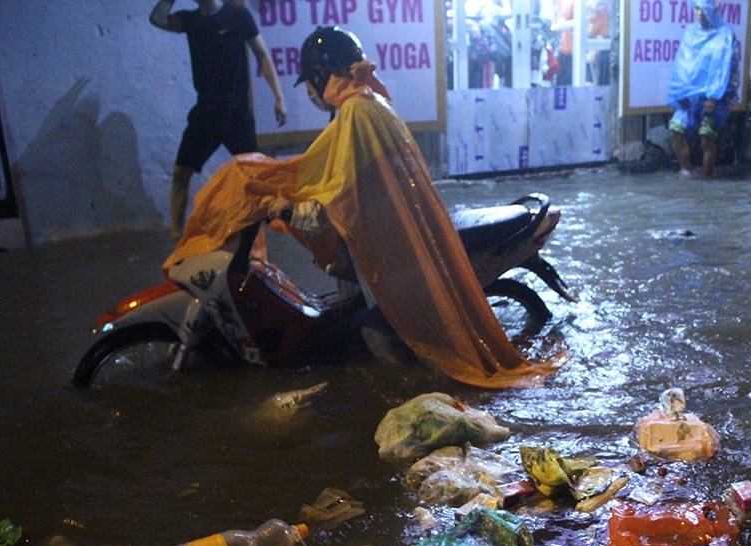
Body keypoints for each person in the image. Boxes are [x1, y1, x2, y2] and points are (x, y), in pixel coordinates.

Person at [163, 27, 562, 389]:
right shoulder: (367, 104)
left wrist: (286, 206)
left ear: (321, 75)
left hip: (392, 256)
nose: (310, 92)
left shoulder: (358, 112)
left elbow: (340, 195)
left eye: (310, 81)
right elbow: (334, 177)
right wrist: (281, 193)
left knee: (376, 339)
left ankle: (418, 394)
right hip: (391, 239)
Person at [150, 0, 288, 239]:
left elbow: (262, 55)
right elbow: (157, 19)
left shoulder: (238, 15)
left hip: (236, 112)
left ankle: (256, 236)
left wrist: (279, 96)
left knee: (254, 176)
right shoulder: (191, 20)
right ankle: (176, 234)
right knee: (181, 172)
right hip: (206, 111)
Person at [666, 0, 738, 177]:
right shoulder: (690, 32)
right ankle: (686, 172)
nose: (699, 13)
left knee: (707, 136)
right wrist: (679, 92)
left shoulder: (725, 34)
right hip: (688, 96)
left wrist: (714, 97)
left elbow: (724, 67)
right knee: (676, 129)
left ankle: (707, 179)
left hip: (713, 97)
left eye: (703, 9)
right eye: (696, 8)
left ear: (714, 8)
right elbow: (682, 63)